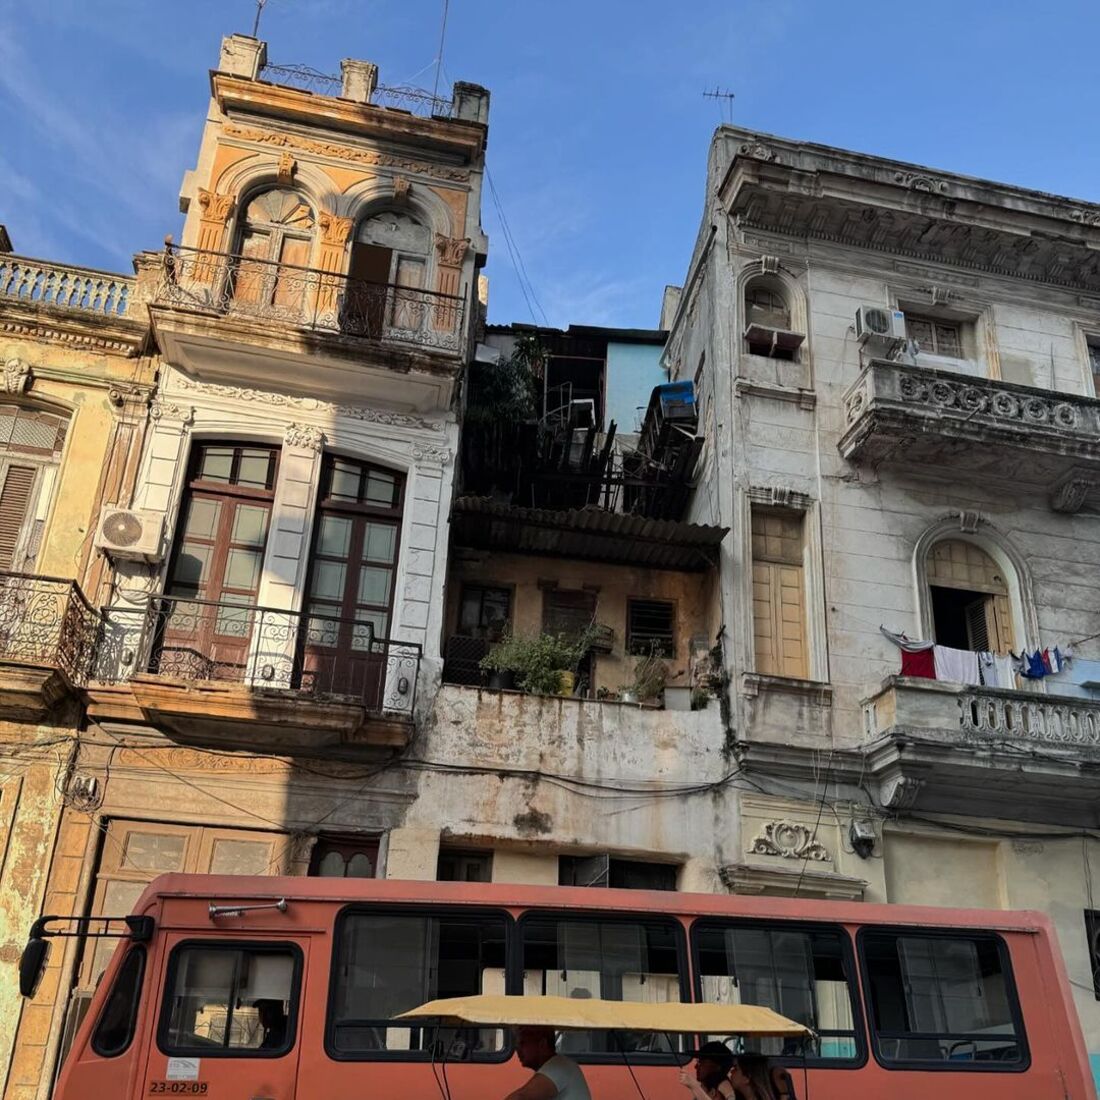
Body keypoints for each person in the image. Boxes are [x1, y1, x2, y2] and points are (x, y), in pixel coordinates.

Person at [505, 1026, 591, 1100]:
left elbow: (521, 1097)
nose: (518, 1049)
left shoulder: (559, 1066)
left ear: (542, 1044)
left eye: (523, 1043)